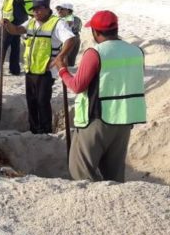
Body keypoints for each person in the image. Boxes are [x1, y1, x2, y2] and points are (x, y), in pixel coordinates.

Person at [54, 10, 146, 182]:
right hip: (125, 119)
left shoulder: (95, 53)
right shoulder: (136, 51)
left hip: (97, 118)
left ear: (95, 32)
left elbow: (77, 86)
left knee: (81, 171)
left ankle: (91, 206)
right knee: (115, 174)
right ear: (116, 29)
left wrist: (62, 69)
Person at [3, 0, 76, 134]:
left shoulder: (57, 23)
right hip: (30, 68)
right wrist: (7, 24)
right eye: (34, 9)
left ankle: (45, 129)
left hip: (46, 71)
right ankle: (34, 129)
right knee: (31, 101)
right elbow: (17, 30)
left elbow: (70, 39)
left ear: (47, 9)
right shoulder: (31, 21)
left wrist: (59, 58)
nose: (36, 12)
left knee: (42, 101)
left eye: (39, 9)